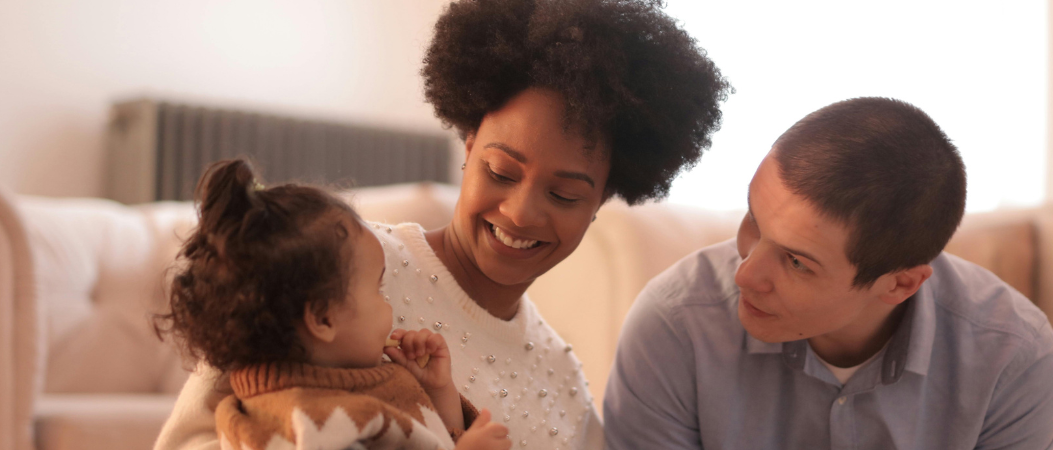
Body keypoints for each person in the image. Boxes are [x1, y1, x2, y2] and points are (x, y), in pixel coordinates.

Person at [153, 1, 729, 449]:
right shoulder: (329, 268)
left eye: (564, 193)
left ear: (602, 199)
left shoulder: (560, 381)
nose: (522, 212)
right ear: (468, 143)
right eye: (502, 171)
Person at [605, 98, 1053, 449]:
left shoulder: (1015, 359)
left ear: (900, 284)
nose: (745, 275)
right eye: (754, 222)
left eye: (796, 262)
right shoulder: (674, 326)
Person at [155, 160, 510, 450]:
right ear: (323, 318)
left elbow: (432, 441)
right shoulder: (296, 423)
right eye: (378, 288)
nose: (390, 306)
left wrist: (437, 391)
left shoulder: (362, 381)